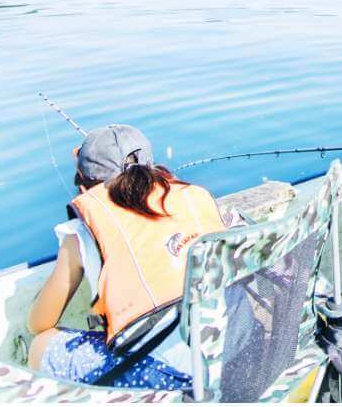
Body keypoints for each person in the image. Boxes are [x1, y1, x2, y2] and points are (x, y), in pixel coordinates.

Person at [27, 125, 225, 389]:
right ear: (151, 167)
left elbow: (39, 323)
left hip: (185, 380)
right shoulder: (195, 198)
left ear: (85, 185)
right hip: (233, 349)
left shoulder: (80, 234)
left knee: (40, 346)